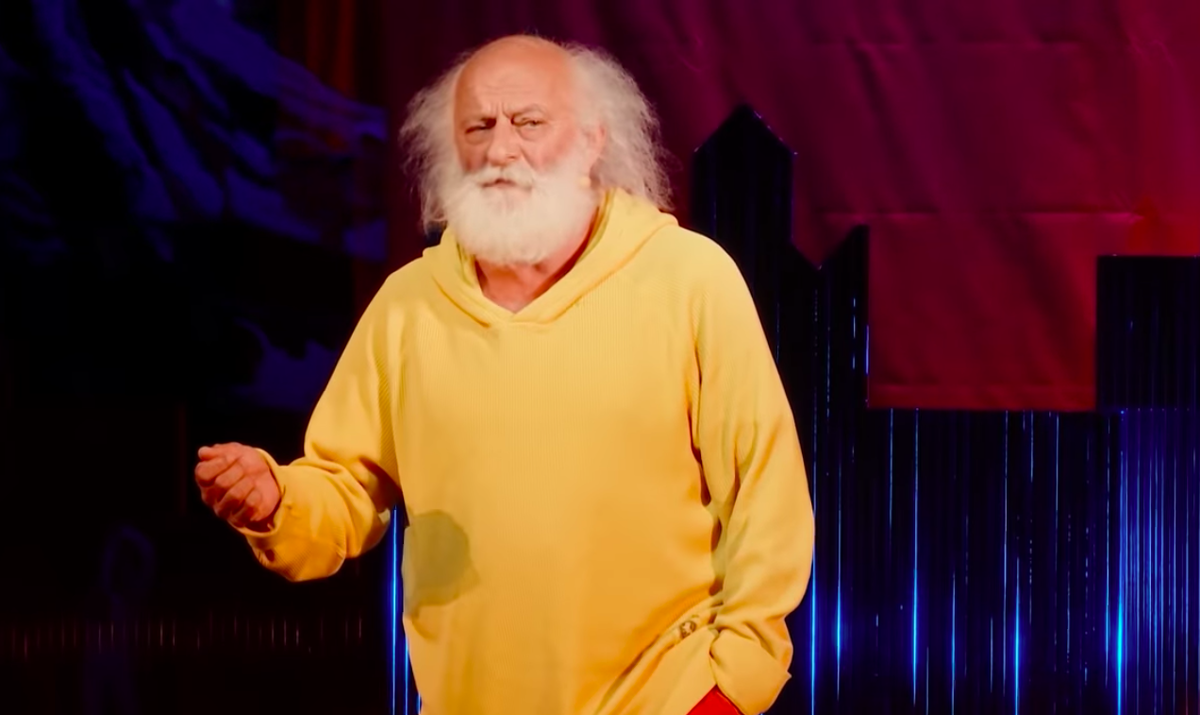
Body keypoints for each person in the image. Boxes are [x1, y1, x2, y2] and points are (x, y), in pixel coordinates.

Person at [194, 35, 815, 715]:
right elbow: (344, 489)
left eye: (528, 123)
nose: (500, 150)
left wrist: (733, 685)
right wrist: (277, 500)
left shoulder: (688, 279)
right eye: (478, 127)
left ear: (591, 140)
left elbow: (766, 494)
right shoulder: (409, 306)